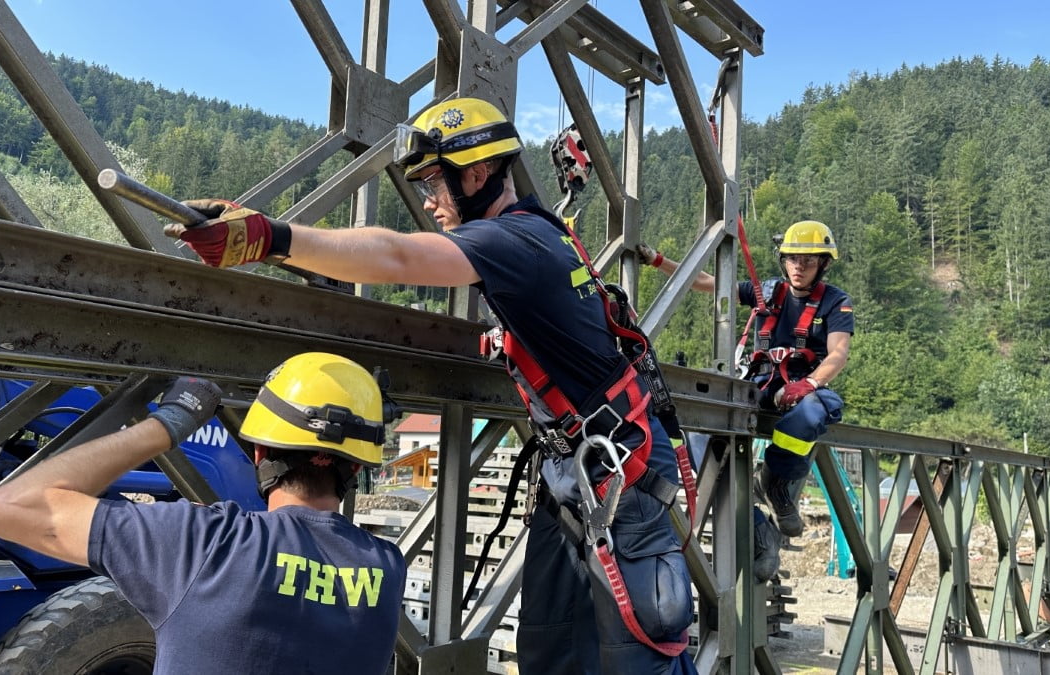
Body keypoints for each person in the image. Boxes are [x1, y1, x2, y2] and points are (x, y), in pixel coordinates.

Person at [165, 97, 696, 675]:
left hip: (617, 472)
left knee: (641, 657)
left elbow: (395, 256)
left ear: (477, 174)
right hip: (581, 467)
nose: (426, 201)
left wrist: (272, 237)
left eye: (433, 183)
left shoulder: (514, 241)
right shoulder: (536, 236)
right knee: (553, 653)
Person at [0, 352, 408, 674]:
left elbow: (8, 507)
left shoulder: (202, 541)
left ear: (260, 453)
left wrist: (169, 422)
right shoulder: (388, 568)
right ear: (357, 468)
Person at [638, 221, 853, 548]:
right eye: (793, 259)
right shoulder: (767, 291)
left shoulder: (835, 302)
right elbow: (705, 281)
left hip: (802, 386)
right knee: (701, 412)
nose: (799, 267)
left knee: (815, 411)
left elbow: (838, 352)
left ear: (823, 263)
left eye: (809, 261)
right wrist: (658, 260)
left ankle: (775, 481)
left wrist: (809, 383)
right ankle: (747, 516)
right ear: (784, 260)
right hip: (760, 382)